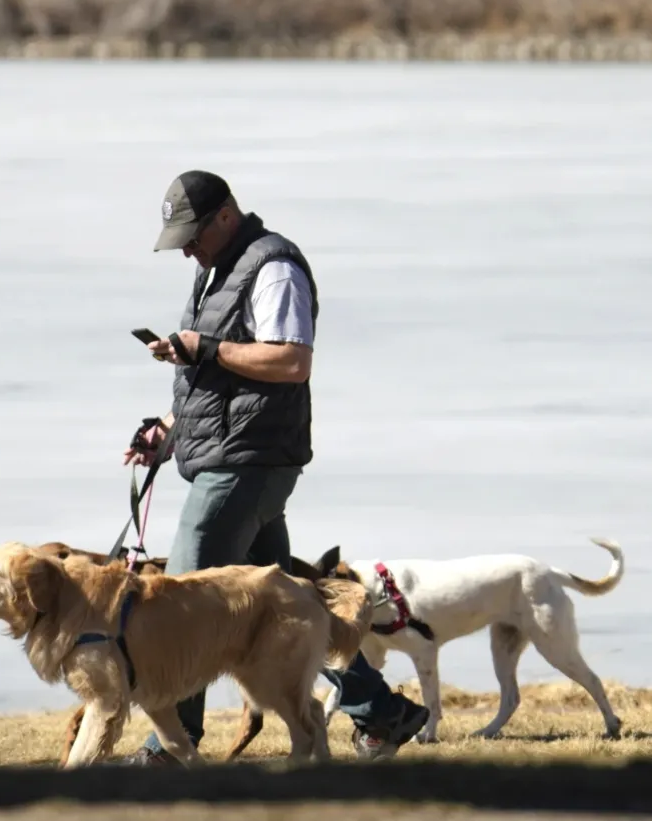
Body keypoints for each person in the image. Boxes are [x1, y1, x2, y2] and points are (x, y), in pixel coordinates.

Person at [116, 169, 429, 765]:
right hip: (230, 455)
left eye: (191, 234)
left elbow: (292, 361)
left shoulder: (273, 267)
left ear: (225, 216)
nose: (185, 248)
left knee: (184, 595)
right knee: (291, 604)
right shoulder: (215, 271)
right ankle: (383, 713)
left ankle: (170, 749)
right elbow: (210, 379)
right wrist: (168, 433)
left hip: (250, 461)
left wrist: (202, 347)